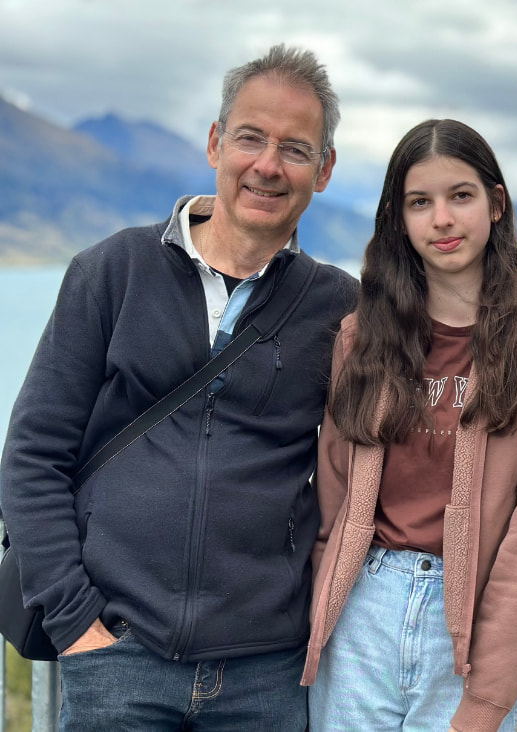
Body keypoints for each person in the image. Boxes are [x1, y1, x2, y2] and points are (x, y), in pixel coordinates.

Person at [0, 45, 357, 730]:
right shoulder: (112, 271)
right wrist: (79, 627)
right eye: (250, 137)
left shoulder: (339, 308)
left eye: (295, 148)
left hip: (268, 673)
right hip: (118, 658)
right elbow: (32, 458)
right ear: (216, 142)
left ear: (324, 170)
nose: (268, 164)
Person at [301, 118, 517, 732]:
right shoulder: (362, 337)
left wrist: (489, 697)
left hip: (468, 618)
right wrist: (321, 619)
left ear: (496, 205)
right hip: (363, 608)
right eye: (420, 202)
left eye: (460, 196)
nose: (442, 219)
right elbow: (334, 499)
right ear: (399, 220)